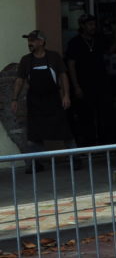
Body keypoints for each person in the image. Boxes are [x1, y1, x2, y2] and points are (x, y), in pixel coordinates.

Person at [10, 30, 74, 171]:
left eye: (32, 41)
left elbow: (63, 76)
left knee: (64, 130)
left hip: (53, 99)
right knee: (34, 134)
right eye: (28, 41)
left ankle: (74, 159)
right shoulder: (26, 60)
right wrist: (14, 99)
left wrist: (66, 95)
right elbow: (20, 81)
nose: (29, 43)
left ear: (41, 42)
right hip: (35, 101)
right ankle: (34, 164)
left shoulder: (54, 57)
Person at [65, 13, 113, 146]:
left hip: (101, 83)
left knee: (104, 113)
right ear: (82, 26)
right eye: (90, 24)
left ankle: (105, 142)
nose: (93, 27)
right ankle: (89, 144)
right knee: (86, 115)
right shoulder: (75, 43)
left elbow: (110, 51)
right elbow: (71, 65)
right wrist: (76, 86)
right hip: (84, 84)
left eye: (94, 24)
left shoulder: (99, 40)